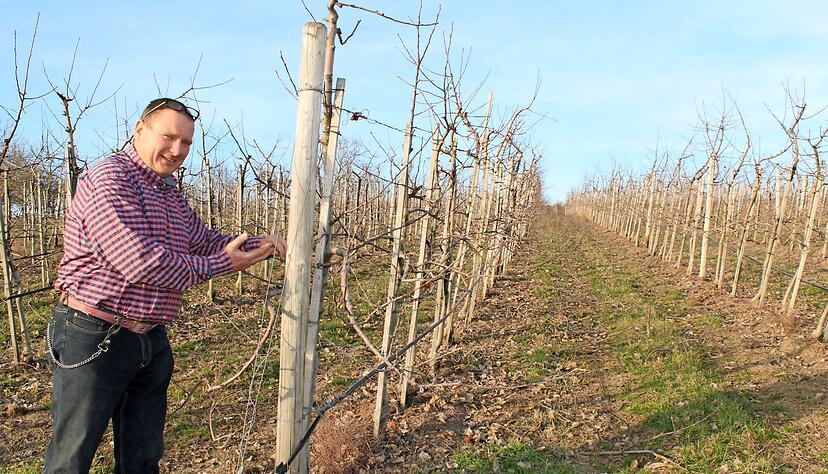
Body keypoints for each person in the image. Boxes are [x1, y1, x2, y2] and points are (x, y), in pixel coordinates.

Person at [43, 97, 286, 473]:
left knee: (142, 457)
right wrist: (224, 264)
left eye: (186, 143)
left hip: (149, 339)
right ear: (139, 130)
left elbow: (202, 240)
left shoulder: (168, 191)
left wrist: (264, 246)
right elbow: (139, 262)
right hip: (94, 334)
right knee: (72, 458)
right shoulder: (109, 179)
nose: (177, 150)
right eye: (169, 137)